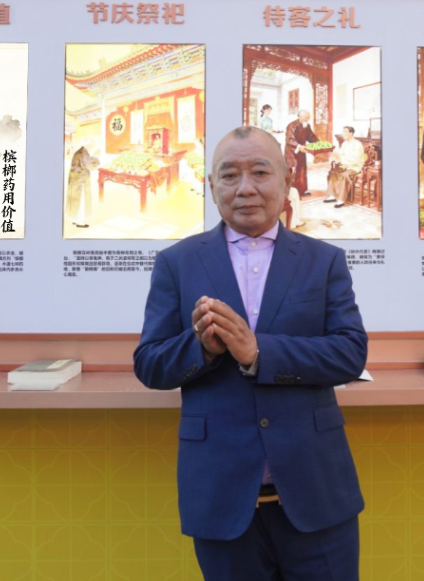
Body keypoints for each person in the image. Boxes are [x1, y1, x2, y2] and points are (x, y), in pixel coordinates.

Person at [134, 126, 367, 581]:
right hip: (220, 495)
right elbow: (150, 364)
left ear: (286, 179)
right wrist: (201, 347)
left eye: (260, 172)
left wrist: (260, 352)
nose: (245, 188)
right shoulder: (177, 263)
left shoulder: (323, 260)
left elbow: (350, 352)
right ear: (211, 186)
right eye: (229, 175)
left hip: (316, 492)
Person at [325, 126, 367, 208]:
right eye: (342, 131)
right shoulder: (344, 143)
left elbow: (354, 160)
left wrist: (341, 159)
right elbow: (340, 155)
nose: (343, 133)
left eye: (345, 131)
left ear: (351, 133)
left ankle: (341, 199)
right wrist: (335, 158)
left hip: (354, 167)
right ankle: (332, 195)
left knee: (344, 175)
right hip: (345, 165)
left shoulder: (357, 145)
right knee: (333, 173)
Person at [284, 110, 319, 196]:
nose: (307, 119)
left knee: (302, 170)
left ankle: (302, 190)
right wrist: (299, 146)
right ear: (300, 116)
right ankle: (291, 193)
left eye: (308, 118)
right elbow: (289, 139)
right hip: (292, 151)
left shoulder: (307, 126)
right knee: (293, 170)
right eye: (306, 117)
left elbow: (311, 136)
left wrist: (319, 143)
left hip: (302, 150)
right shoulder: (292, 125)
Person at [66, 141, 100, 228]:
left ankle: (74, 218)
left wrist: (92, 158)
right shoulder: (84, 153)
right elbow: (91, 166)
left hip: (74, 179)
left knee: (74, 200)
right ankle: (80, 222)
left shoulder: (80, 151)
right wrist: (96, 158)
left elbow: (85, 162)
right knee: (81, 200)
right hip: (80, 181)